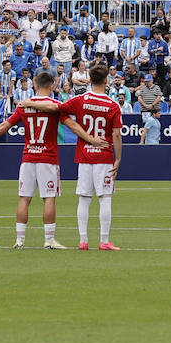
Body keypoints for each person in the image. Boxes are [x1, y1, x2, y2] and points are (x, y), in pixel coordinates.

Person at [0, 70, 106, 249]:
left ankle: (19, 240)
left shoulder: (25, 105)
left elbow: (4, 126)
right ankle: (48, 240)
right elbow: (73, 126)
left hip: (28, 157)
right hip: (48, 158)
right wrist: (91, 139)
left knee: (24, 199)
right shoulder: (55, 105)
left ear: (35, 84)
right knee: (48, 198)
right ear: (53, 85)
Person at [48, 64, 124, 250]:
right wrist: (118, 158)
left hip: (84, 155)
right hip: (104, 156)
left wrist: (79, 132)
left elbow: (60, 112)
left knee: (84, 198)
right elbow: (116, 134)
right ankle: (104, 241)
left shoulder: (80, 100)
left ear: (89, 79)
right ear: (106, 81)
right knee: (105, 197)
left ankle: (83, 240)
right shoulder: (112, 105)